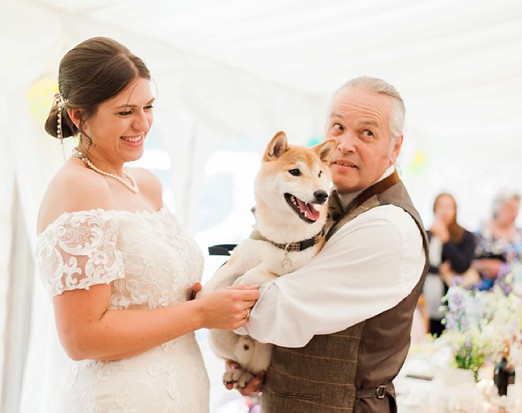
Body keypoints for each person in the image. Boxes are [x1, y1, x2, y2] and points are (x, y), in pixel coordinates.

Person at [35, 37, 259, 412]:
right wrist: (201, 314)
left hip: (182, 391)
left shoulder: (146, 183)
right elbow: (82, 337)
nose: (142, 123)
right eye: (125, 112)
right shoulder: (78, 187)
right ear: (77, 115)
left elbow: (164, 303)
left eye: (149, 106)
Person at [232, 76, 428, 412]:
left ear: (395, 148)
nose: (343, 144)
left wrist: (210, 302)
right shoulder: (316, 203)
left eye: (366, 133)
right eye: (337, 127)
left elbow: (278, 313)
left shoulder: (387, 227)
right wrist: (253, 361)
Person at [423, 192, 476, 336]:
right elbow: (420, 263)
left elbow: (463, 264)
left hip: (454, 302)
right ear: (434, 209)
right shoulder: (426, 235)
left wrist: (445, 239)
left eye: (449, 207)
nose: (445, 211)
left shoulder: (465, 236)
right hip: (427, 300)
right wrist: (437, 270)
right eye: (441, 206)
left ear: (455, 210)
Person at [472, 190, 522, 291]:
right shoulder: (482, 231)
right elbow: (467, 262)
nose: (515, 213)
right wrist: (485, 265)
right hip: (484, 293)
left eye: (517, 209)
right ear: (498, 207)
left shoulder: (520, 234)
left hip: (514, 294)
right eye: (510, 209)